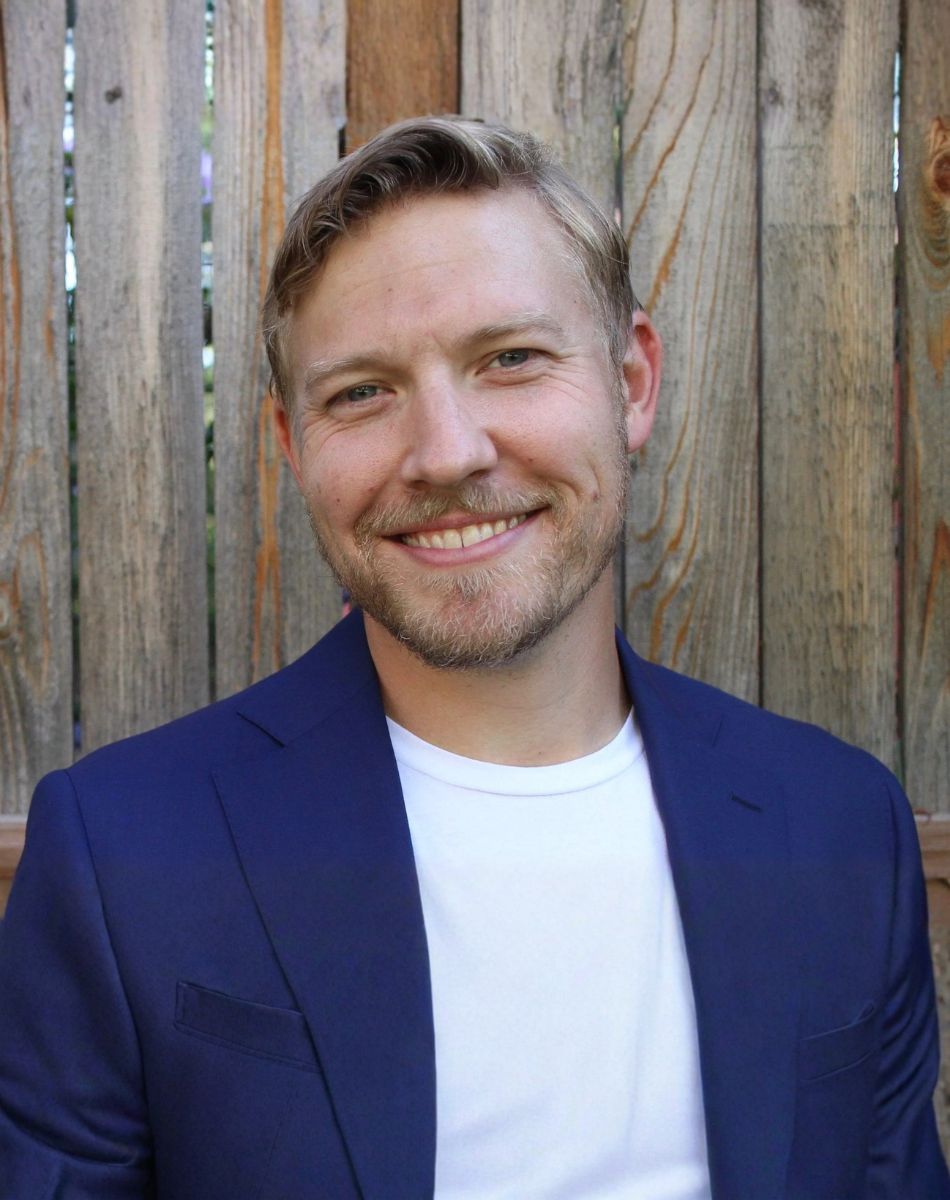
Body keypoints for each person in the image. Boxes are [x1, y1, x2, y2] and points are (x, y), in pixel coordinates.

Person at [0, 116, 946, 1200]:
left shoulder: (839, 827)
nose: (446, 453)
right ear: (293, 446)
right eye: (361, 392)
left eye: (510, 359)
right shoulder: (122, 852)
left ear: (632, 380)